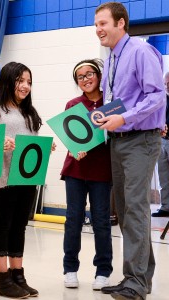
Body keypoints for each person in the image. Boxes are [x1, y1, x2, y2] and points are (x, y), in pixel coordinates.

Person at [95, 2, 166, 299]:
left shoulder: (140, 51)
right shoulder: (112, 57)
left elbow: (157, 96)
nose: (98, 29)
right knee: (125, 211)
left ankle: (136, 283)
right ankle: (134, 278)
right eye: (96, 24)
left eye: (103, 23)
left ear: (121, 23)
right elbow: (121, 99)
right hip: (119, 140)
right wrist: (103, 115)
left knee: (135, 210)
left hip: (140, 138)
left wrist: (124, 118)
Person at [0, 61, 42, 298]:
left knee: (20, 226)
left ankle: (18, 275)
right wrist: (1, 143)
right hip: (2, 179)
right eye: (20, 81)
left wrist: (43, 148)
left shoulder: (29, 112)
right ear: (8, 81)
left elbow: (29, 142)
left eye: (28, 82)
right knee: (2, 226)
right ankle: (2, 277)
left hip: (26, 177)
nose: (25, 86)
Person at [60, 59, 112, 291]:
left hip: (102, 171)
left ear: (99, 75)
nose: (86, 79)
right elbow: (69, 137)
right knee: (73, 220)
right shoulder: (73, 104)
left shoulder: (110, 103)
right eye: (80, 77)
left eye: (89, 74)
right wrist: (73, 148)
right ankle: (70, 269)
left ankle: (103, 271)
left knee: (101, 222)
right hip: (76, 170)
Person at [153, 72, 169, 217]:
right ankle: (165, 207)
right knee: (163, 175)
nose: (167, 86)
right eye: (165, 84)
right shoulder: (162, 99)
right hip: (162, 141)